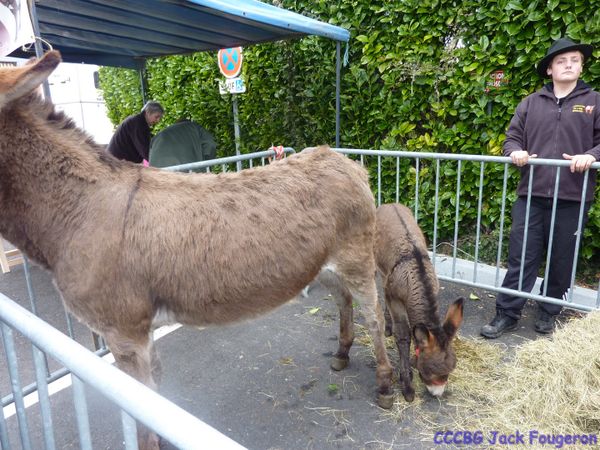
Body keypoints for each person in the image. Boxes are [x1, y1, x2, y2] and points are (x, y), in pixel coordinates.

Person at [481, 37, 599, 339]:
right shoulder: (531, 103)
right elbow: (512, 138)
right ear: (550, 69)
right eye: (561, 61)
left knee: (562, 256)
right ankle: (507, 313)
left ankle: (549, 311)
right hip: (531, 194)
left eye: (574, 59)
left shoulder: (594, 102)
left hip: (573, 197)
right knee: (522, 255)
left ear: (582, 65)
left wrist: (592, 155)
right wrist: (515, 152)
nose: (569, 64)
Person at [149, 119, 216, 169]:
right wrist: (206, 164)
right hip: (188, 172)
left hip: (159, 176)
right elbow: (210, 144)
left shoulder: (159, 135)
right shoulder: (195, 127)